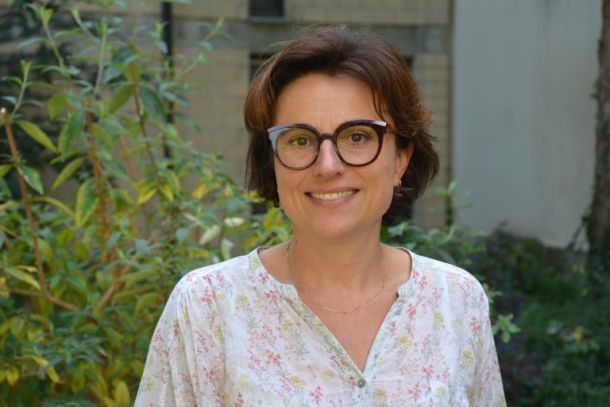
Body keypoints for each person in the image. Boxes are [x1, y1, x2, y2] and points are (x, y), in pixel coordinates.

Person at [135, 26, 506, 406]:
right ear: (272, 163)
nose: (327, 166)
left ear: (400, 160)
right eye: (300, 140)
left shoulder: (455, 300)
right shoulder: (207, 306)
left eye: (357, 136)